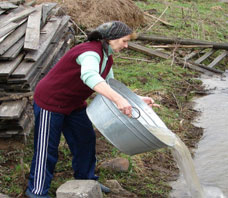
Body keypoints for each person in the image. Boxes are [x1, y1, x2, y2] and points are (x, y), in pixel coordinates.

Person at [25, 21, 159, 198]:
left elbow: (110, 86)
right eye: (124, 41)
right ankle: (36, 191)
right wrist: (119, 100)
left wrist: (136, 100)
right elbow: (90, 77)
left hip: (74, 103)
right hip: (51, 102)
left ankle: (86, 180)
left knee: (85, 140)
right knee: (47, 148)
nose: (126, 46)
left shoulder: (107, 56)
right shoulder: (90, 52)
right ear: (110, 39)